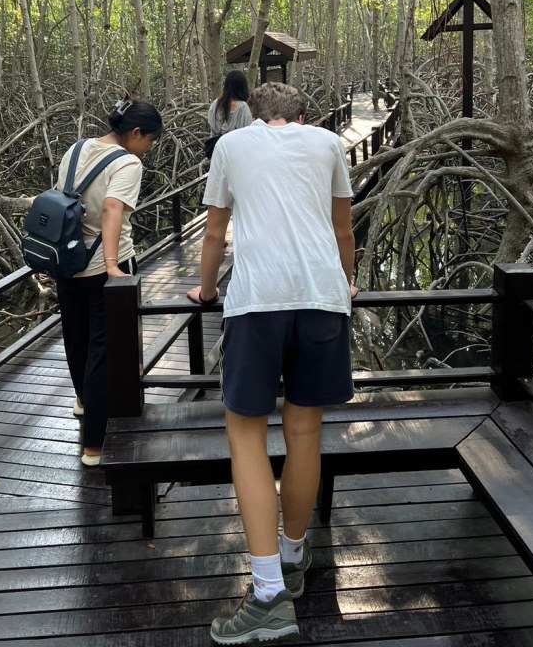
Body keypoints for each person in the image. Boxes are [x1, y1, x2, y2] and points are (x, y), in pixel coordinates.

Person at [187, 81, 358, 644]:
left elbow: (215, 232)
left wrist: (206, 290)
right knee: (305, 433)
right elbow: (342, 229)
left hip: (259, 303)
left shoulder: (231, 146)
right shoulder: (328, 143)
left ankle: (267, 596)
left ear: (254, 116)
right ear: (302, 116)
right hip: (323, 299)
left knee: (246, 437)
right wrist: (346, 283)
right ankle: (291, 556)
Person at [55, 99, 163, 467]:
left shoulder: (76, 148)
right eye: (150, 140)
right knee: (104, 351)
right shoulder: (127, 162)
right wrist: (113, 264)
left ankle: (83, 401)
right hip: (104, 265)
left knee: (77, 338)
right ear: (135, 133)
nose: (149, 148)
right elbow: (113, 208)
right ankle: (94, 446)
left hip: (66, 262)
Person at [207, 70, 253, 146]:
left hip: (216, 148)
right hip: (235, 149)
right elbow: (249, 132)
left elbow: (211, 124)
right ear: (243, 86)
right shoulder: (243, 107)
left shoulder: (215, 104)